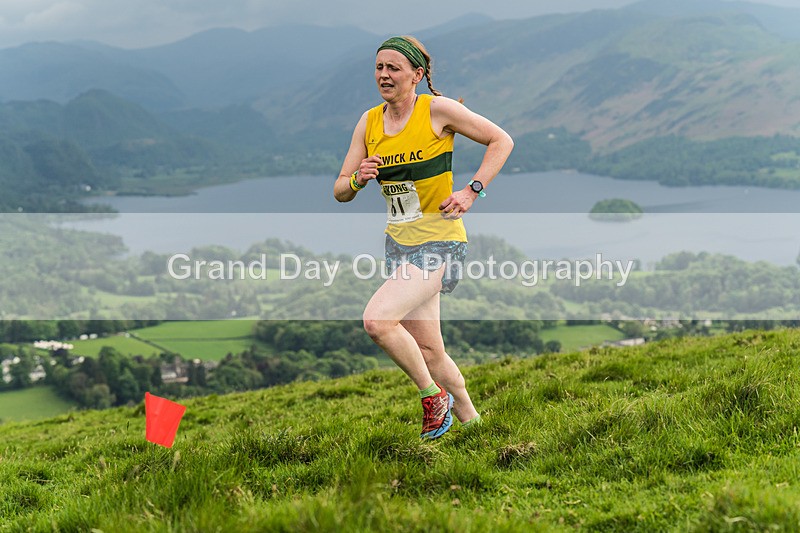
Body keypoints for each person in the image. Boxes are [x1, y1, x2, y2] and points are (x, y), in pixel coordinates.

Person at [334, 35, 513, 440]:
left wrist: (473, 190)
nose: (383, 75)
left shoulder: (437, 111)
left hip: (441, 242)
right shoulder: (370, 121)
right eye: (379, 67)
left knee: (378, 321)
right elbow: (340, 189)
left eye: (393, 68)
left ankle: (433, 399)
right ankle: (475, 426)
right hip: (399, 245)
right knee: (430, 351)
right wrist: (359, 180)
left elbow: (502, 140)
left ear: (416, 75)